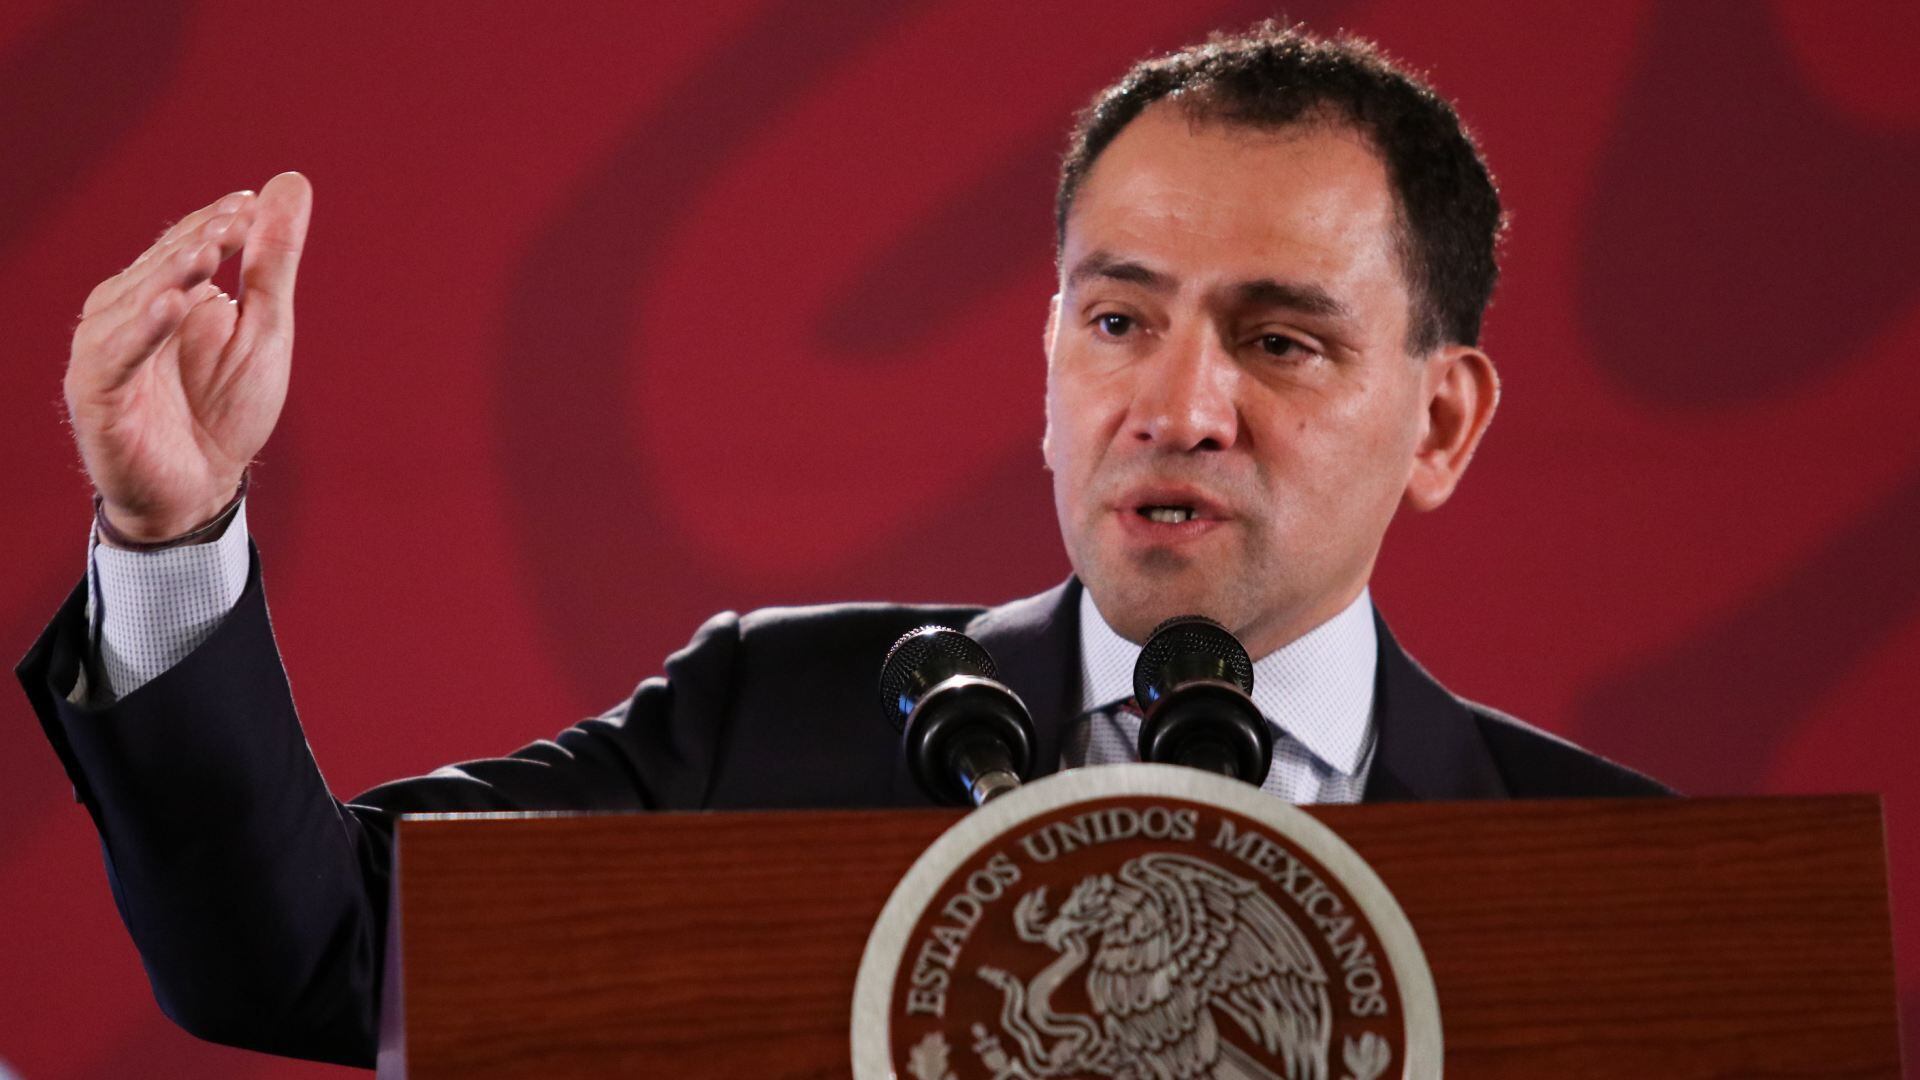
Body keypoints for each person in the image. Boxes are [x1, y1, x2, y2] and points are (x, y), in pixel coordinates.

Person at [18, 22, 1666, 1069]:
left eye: (1280, 341)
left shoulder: (1633, 886)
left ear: (1440, 421)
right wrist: (172, 528)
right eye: (1117, 321)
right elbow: (308, 954)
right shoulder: (775, 721)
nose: (1177, 408)